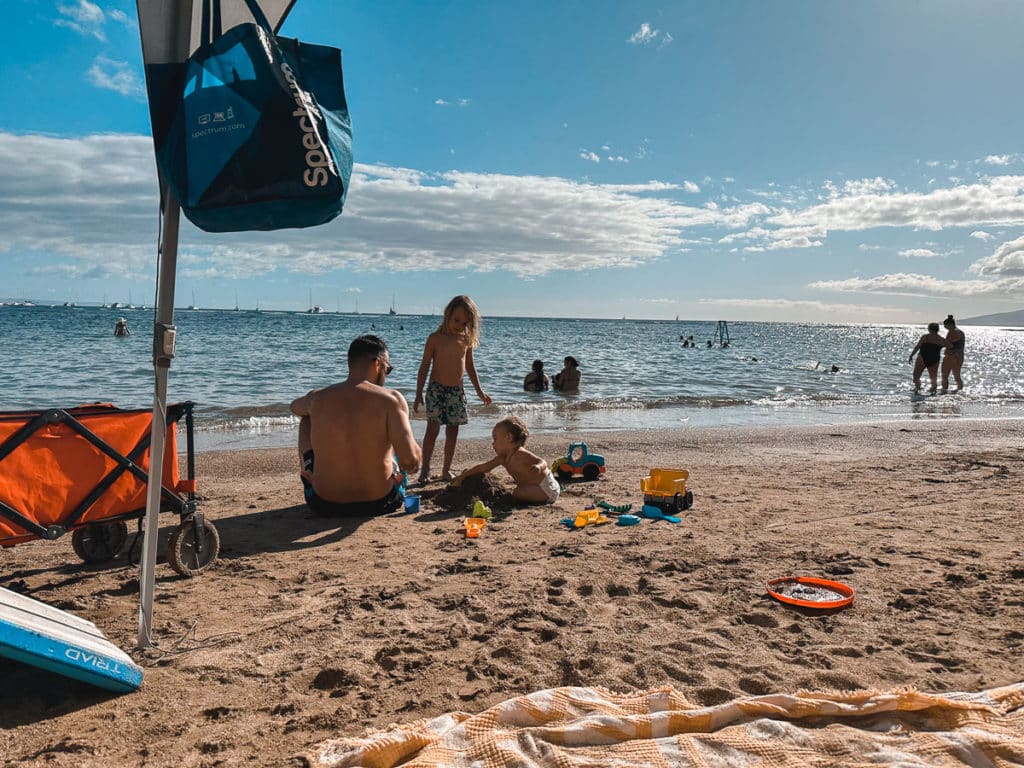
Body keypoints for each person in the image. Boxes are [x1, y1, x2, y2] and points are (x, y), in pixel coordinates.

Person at [289, 335, 420, 516]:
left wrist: (314, 404)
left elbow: (294, 407)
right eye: (387, 369)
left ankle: (310, 468)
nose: (386, 376)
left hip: (324, 503)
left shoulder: (318, 397)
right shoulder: (391, 399)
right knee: (394, 430)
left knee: (307, 418)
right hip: (380, 501)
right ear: (378, 363)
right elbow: (411, 463)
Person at [414, 295, 492, 482]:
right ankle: (425, 469)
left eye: (464, 323)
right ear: (447, 314)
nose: (459, 325)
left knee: (453, 431)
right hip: (436, 390)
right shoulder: (435, 339)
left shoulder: (465, 340)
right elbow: (424, 366)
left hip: (456, 392)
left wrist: (479, 392)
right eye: (456, 320)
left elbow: (470, 367)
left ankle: (446, 470)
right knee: (432, 429)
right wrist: (418, 394)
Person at [452, 416, 560, 505]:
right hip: (532, 488)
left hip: (546, 488)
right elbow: (484, 467)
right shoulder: (502, 458)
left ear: (509, 437)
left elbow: (542, 461)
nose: (493, 443)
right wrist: (464, 476)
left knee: (517, 493)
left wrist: (538, 467)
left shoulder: (520, 453)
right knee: (519, 491)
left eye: (495, 438)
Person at [908, 322, 949, 395]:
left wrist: (911, 355)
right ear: (937, 330)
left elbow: (917, 347)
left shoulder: (925, 337)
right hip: (934, 359)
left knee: (916, 376)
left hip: (922, 357)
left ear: (929, 329)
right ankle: (933, 393)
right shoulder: (940, 339)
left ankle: (917, 389)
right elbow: (950, 346)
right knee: (933, 377)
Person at [941, 314, 965, 393]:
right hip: (960, 356)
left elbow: (947, 343)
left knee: (944, 375)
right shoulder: (960, 332)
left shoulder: (952, 332)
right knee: (957, 376)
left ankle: (944, 391)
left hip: (951, 356)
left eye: (945, 325)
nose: (945, 327)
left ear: (950, 324)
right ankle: (960, 391)